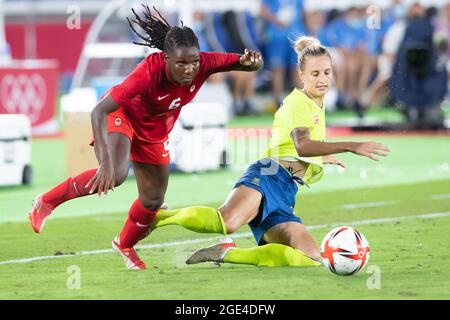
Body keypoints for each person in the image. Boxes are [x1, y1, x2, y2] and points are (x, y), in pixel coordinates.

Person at [28, 5, 263, 270]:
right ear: (166, 59)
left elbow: (247, 64)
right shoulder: (148, 72)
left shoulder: (206, 63)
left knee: (152, 199)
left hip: (154, 131)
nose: (190, 69)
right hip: (122, 116)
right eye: (181, 63)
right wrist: (103, 162)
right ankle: (45, 202)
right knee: (115, 174)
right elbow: (99, 110)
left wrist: (253, 62)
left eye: (194, 62)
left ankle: (124, 244)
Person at [147, 36, 390, 268]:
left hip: (286, 191)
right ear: (301, 74)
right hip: (268, 176)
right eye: (315, 74)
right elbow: (302, 144)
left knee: (311, 257)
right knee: (227, 221)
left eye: (327, 72)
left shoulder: (317, 103)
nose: (322, 79)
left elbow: (293, 147)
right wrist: (351, 145)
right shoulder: (298, 102)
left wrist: (321, 157)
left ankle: (227, 253)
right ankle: (159, 216)